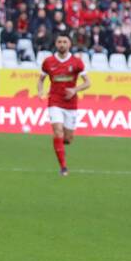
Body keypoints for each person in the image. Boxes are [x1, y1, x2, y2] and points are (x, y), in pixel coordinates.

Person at [37, 34, 90, 176]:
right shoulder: (48, 62)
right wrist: (41, 91)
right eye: (59, 42)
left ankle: (59, 143)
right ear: (56, 43)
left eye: (64, 42)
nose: (62, 44)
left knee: (68, 139)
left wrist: (74, 90)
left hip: (71, 103)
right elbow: (41, 79)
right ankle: (63, 167)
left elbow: (87, 83)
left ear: (69, 44)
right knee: (57, 131)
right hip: (54, 101)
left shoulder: (77, 62)